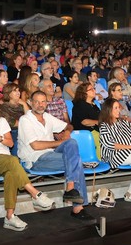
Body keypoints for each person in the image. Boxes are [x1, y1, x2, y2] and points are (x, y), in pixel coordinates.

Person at [0, 96, 54, 230]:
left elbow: (10, 143)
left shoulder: (1, 122)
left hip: (6, 160)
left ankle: (9, 216)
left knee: (11, 174)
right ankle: (35, 194)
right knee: (14, 161)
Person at [17, 90, 93, 221]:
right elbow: (35, 146)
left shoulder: (47, 117)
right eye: (37, 102)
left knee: (72, 143)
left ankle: (70, 187)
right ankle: (77, 207)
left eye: (43, 101)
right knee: (77, 161)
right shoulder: (25, 120)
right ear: (30, 103)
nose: (40, 105)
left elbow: (69, 125)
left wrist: (67, 133)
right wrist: (59, 141)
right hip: (36, 159)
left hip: (51, 154)